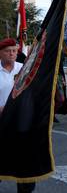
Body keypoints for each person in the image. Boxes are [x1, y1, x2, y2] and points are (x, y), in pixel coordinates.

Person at [0, 38, 36, 192]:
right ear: (0, 53)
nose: (12, 54)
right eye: (8, 51)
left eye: (14, 50)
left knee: (24, 159)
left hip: (20, 121)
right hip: (1, 122)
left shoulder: (23, 69)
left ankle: (25, 187)